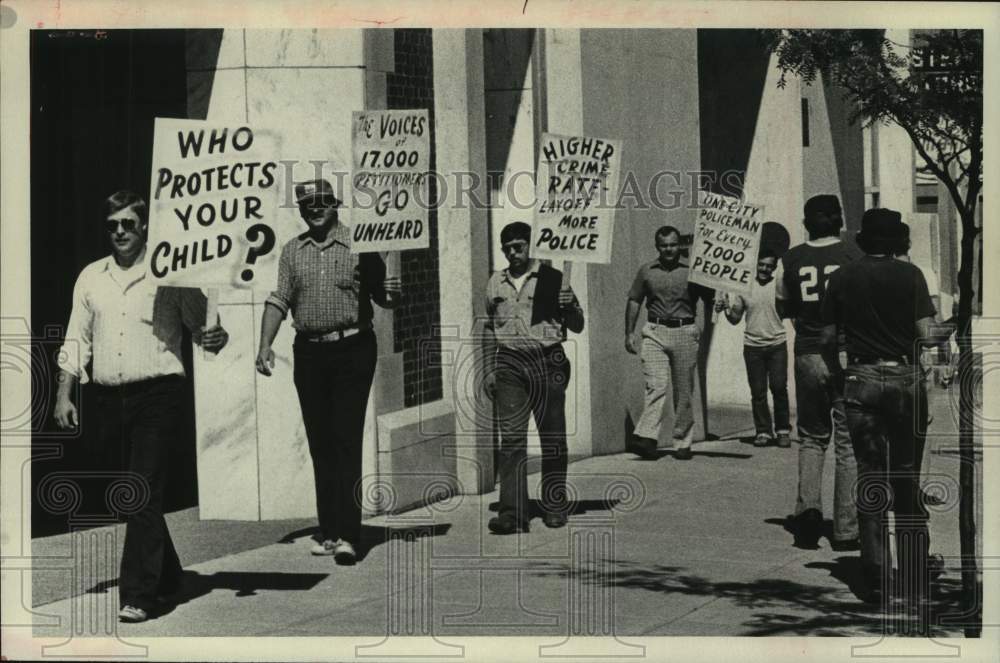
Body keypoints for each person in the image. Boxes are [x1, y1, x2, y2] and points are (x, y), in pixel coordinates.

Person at [53, 190, 229, 624]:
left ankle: (139, 594)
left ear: (144, 226)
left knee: (141, 491)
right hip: (110, 398)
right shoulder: (91, 277)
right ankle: (169, 576)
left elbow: (203, 326)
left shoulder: (171, 272)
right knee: (136, 497)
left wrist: (215, 335)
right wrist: (63, 393)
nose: (120, 233)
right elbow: (78, 339)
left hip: (158, 394)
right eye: (113, 225)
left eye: (128, 224)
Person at [256, 179, 401, 563]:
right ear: (301, 210)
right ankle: (330, 531)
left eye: (321, 202)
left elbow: (384, 299)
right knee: (320, 443)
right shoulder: (292, 251)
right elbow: (279, 299)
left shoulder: (361, 245)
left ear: (335, 205)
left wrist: (393, 288)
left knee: (346, 439)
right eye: (307, 204)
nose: (314, 209)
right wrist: (264, 344)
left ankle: (351, 536)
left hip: (353, 349)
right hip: (309, 352)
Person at [822, 208, 951, 608]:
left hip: (860, 379)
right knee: (907, 477)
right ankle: (913, 572)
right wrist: (955, 321)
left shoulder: (841, 278)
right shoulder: (910, 275)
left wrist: (837, 373)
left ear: (863, 239)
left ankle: (876, 575)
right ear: (897, 240)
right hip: (903, 380)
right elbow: (928, 338)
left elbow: (827, 336)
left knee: (871, 475)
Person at [485, 222, 584, 534]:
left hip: (547, 360)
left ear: (531, 246)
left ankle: (555, 505)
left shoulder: (554, 278)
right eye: (508, 248)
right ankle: (512, 513)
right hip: (509, 364)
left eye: (519, 246)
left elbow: (578, 324)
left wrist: (569, 307)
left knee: (552, 436)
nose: (514, 253)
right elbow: (489, 325)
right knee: (512, 440)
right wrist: (489, 366)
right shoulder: (495, 282)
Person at [776, 194, 860, 550]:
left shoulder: (791, 259)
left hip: (808, 351)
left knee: (811, 437)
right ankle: (846, 527)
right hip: (846, 352)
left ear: (807, 221)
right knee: (848, 443)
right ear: (838, 219)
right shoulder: (853, 257)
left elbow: (783, 307)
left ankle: (809, 510)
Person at [625, 226, 714, 461]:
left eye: (673, 245)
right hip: (655, 331)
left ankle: (682, 442)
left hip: (685, 331)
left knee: (684, 390)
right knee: (656, 385)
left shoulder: (694, 271)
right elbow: (634, 301)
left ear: (679, 245)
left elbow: (709, 300)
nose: (669, 249)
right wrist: (629, 333)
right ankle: (646, 438)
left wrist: (704, 326)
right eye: (664, 245)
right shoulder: (646, 271)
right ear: (657, 246)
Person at [716, 248, 791, 448]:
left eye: (769, 266)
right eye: (761, 264)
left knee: (778, 387)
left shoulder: (778, 285)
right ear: (755, 264)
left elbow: (787, 311)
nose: (765, 269)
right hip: (753, 347)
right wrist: (724, 308)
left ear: (774, 268)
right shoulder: (743, 287)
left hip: (776, 344)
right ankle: (763, 431)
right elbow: (735, 319)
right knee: (758, 392)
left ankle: (783, 430)